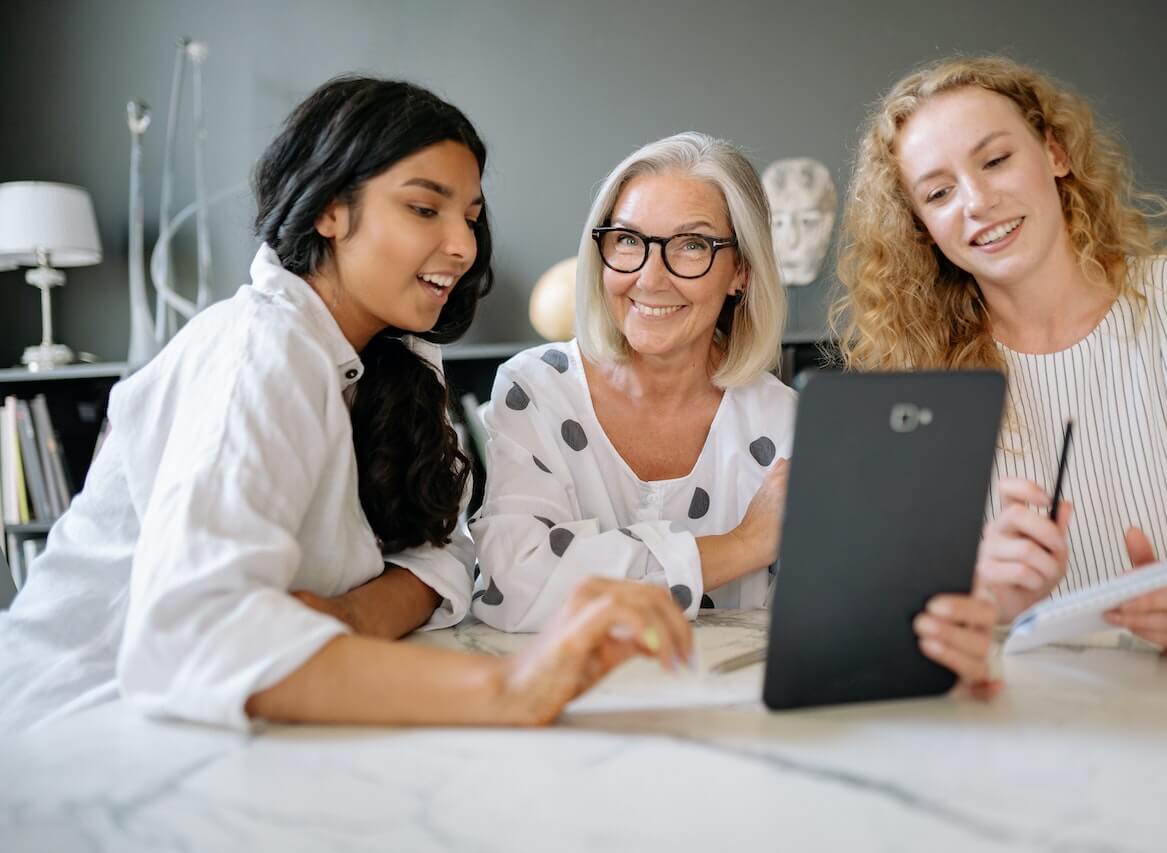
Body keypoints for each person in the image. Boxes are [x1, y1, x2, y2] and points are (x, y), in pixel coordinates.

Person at [0, 76, 692, 733]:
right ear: (330, 208)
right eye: (425, 208)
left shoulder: (396, 357)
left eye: (471, 217)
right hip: (77, 728)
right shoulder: (261, 350)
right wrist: (510, 688)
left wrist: (345, 616)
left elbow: (445, 555)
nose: (462, 245)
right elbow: (194, 637)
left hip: (230, 728)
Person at [471, 132, 999, 688]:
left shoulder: (792, 427)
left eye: (692, 246)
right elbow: (513, 586)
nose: (650, 277)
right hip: (569, 716)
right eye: (628, 240)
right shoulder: (535, 389)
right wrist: (743, 545)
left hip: (736, 716)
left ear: (741, 271)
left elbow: (834, 616)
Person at [832, 56, 1167, 655]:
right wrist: (986, 593)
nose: (977, 201)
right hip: (1028, 725)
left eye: (995, 160)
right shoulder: (913, 384)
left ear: (1054, 153)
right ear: (921, 227)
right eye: (938, 192)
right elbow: (894, 620)